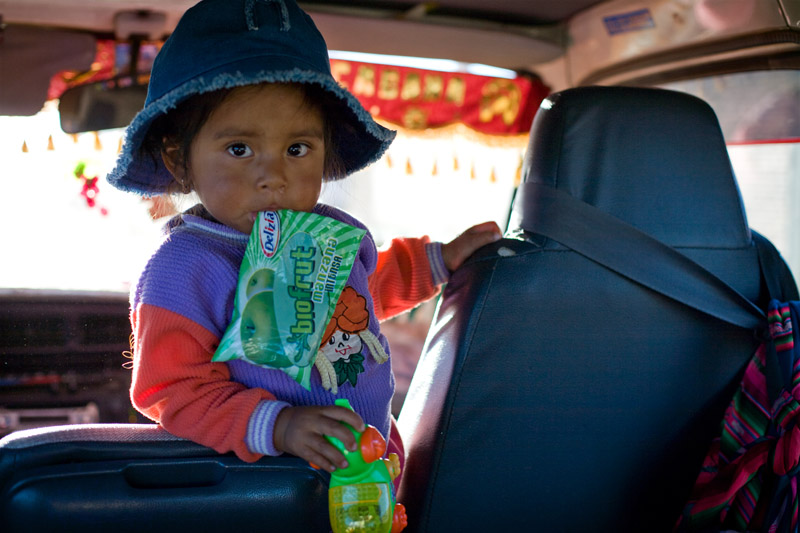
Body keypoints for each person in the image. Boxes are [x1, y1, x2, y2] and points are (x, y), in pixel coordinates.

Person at [107, 0, 501, 476]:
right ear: (178, 159)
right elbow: (169, 388)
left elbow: (358, 296)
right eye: (239, 149)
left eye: (297, 149)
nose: (273, 175)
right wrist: (278, 425)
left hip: (370, 468)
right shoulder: (182, 268)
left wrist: (439, 261)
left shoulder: (326, 235)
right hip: (274, 484)